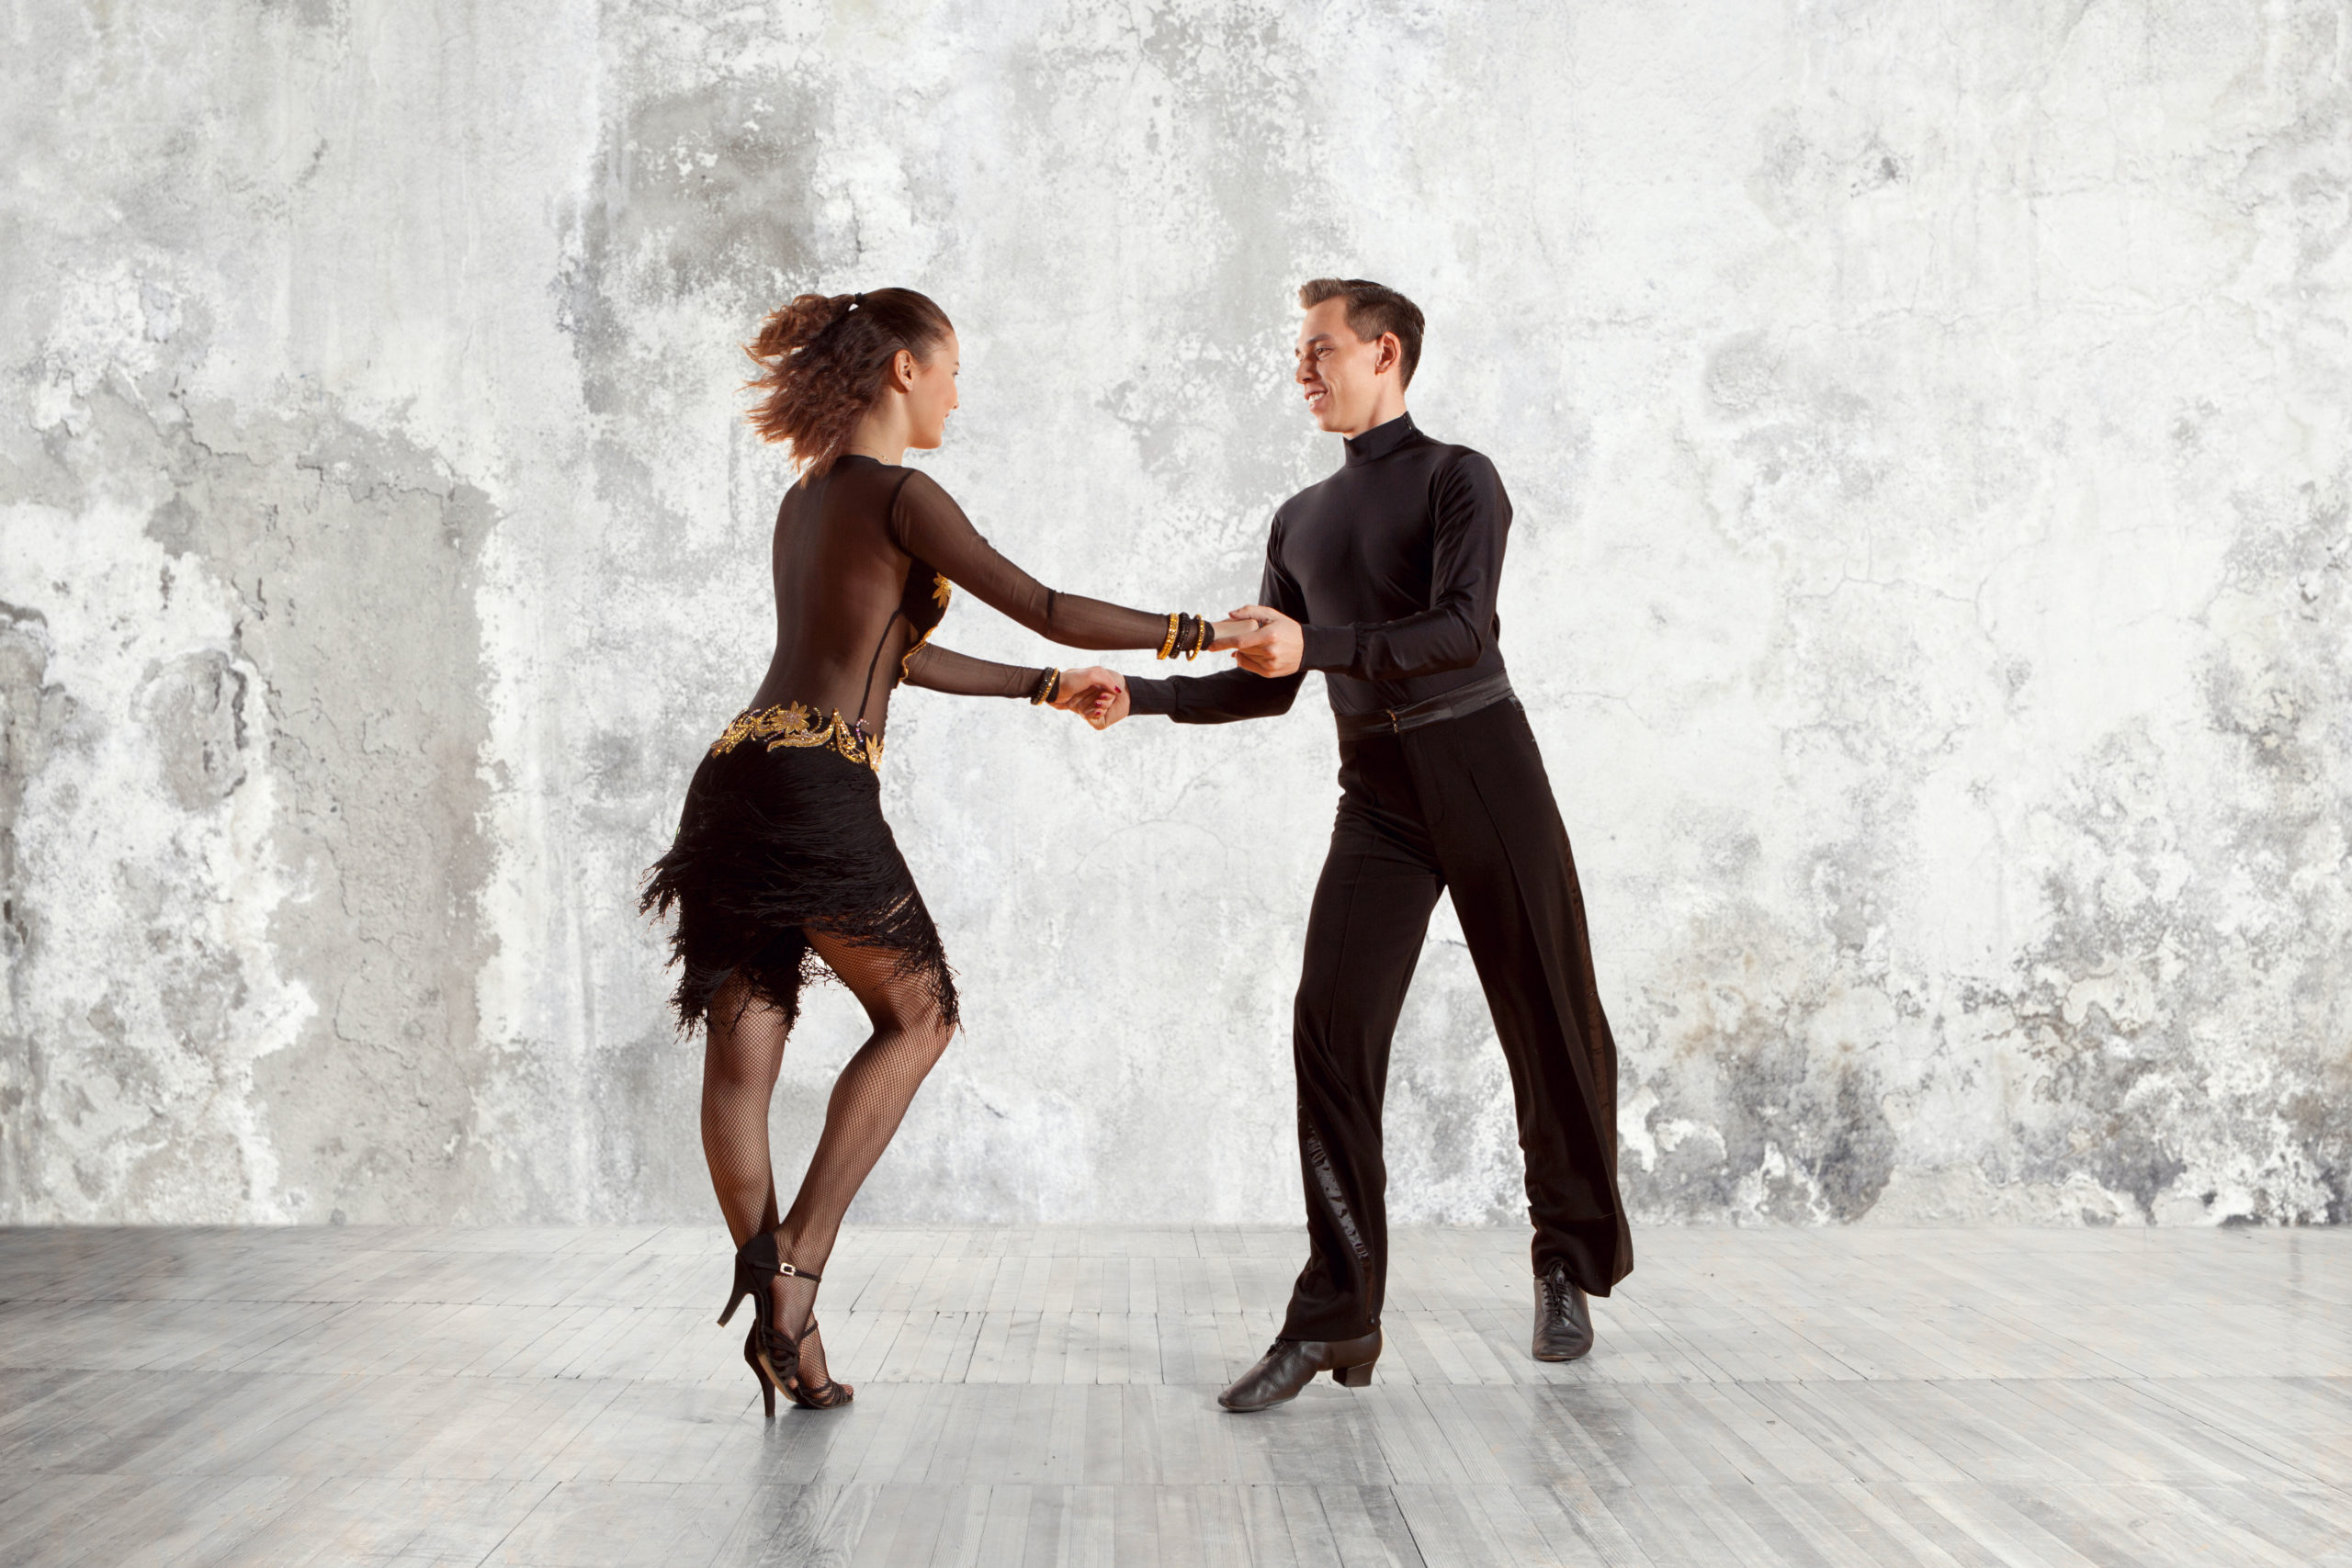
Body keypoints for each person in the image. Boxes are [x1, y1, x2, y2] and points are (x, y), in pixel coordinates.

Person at [642, 288, 1248, 1415]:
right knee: (920, 1016)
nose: (960, 392)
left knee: (742, 1052)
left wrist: (1039, 692)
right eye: (954, 368)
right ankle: (794, 1273)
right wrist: (1205, 633)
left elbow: (894, 656)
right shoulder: (906, 492)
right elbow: (1048, 603)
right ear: (905, 370)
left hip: (735, 775)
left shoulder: (806, 500)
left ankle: (791, 1330)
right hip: (819, 780)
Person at [1090, 278, 1634, 1411]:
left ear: (1384, 354)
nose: (1302, 369)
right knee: (1329, 1031)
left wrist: (1321, 640)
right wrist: (1134, 697)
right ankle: (1339, 1314)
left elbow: (1459, 630)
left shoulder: (1456, 478)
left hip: (1482, 767)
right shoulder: (1298, 519)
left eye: (1319, 349)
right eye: (1298, 352)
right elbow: (1271, 686)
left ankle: (1565, 1261)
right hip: (1377, 795)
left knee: (1547, 1016)